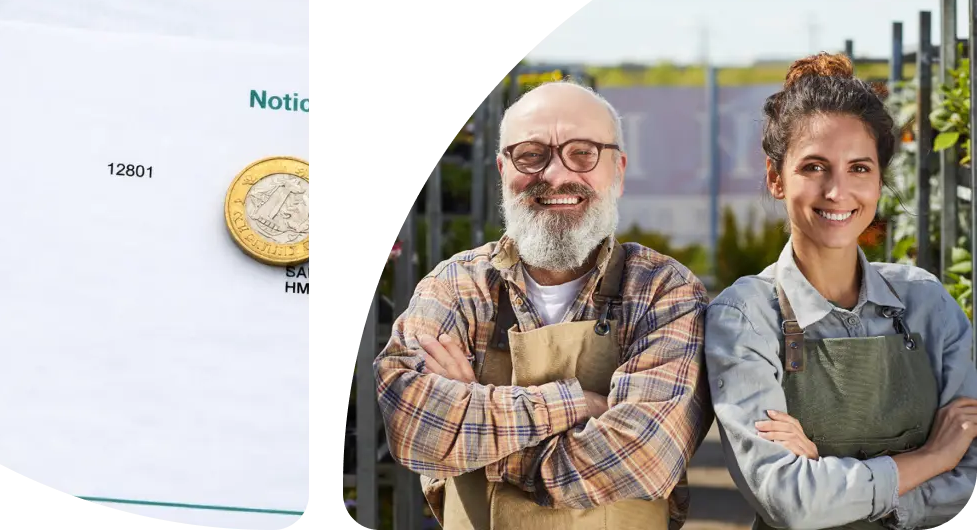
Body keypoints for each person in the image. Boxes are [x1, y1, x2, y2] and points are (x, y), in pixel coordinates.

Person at [374, 81, 712, 529]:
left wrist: (476, 439)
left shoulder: (662, 291)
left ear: (619, 170)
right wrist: (577, 403)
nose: (554, 174)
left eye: (583, 153)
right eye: (530, 154)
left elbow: (642, 456)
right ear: (502, 169)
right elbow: (411, 424)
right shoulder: (457, 285)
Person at [706, 52, 977, 529]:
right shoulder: (745, 316)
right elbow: (790, 501)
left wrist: (831, 480)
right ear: (775, 178)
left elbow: (972, 477)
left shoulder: (926, 301)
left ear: (879, 179)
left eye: (859, 168)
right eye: (814, 167)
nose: (837, 191)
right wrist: (933, 457)